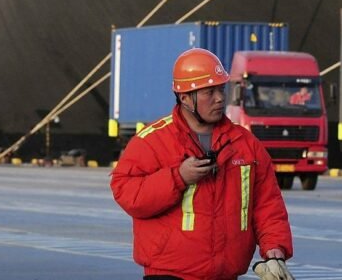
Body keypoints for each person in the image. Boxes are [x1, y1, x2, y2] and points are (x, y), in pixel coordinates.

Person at [111, 48, 294, 280]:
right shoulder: (152, 141)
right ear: (185, 97)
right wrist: (178, 177)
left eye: (221, 89)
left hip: (225, 274)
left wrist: (275, 250)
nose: (219, 98)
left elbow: (268, 205)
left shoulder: (246, 144)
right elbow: (127, 193)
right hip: (169, 273)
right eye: (209, 92)